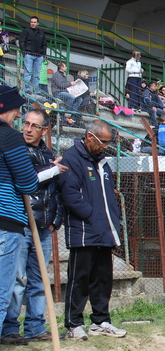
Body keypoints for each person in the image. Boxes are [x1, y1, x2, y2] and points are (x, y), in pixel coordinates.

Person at [0, 89, 61, 351]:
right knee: (7, 287)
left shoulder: (42, 151)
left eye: (33, 124)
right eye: (20, 117)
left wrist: (54, 220)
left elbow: (51, 192)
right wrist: (49, 171)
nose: (23, 124)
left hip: (35, 223)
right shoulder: (10, 140)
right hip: (11, 222)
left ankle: (34, 325)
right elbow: (27, 180)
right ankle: (10, 329)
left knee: (30, 281)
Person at [59, 119, 127, 339]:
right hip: (84, 232)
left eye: (108, 142)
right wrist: (93, 217)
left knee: (103, 278)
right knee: (79, 278)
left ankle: (101, 321)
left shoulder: (102, 163)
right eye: (104, 142)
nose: (106, 146)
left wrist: (111, 221)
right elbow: (71, 197)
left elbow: (109, 197)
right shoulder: (72, 159)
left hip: (105, 232)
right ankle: (73, 323)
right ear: (90, 137)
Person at [19, 16, 46, 93]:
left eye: (34, 22)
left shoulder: (41, 33)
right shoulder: (26, 31)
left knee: (36, 74)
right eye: (32, 22)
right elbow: (22, 41)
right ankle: (27, 89)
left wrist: (43, 53)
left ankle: (36, 90)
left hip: (39, 55)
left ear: (37, 23)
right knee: (28, 73)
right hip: (29, 54)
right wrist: (24, 52)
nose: (33, 24)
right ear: (30, 23)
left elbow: (44, 44)